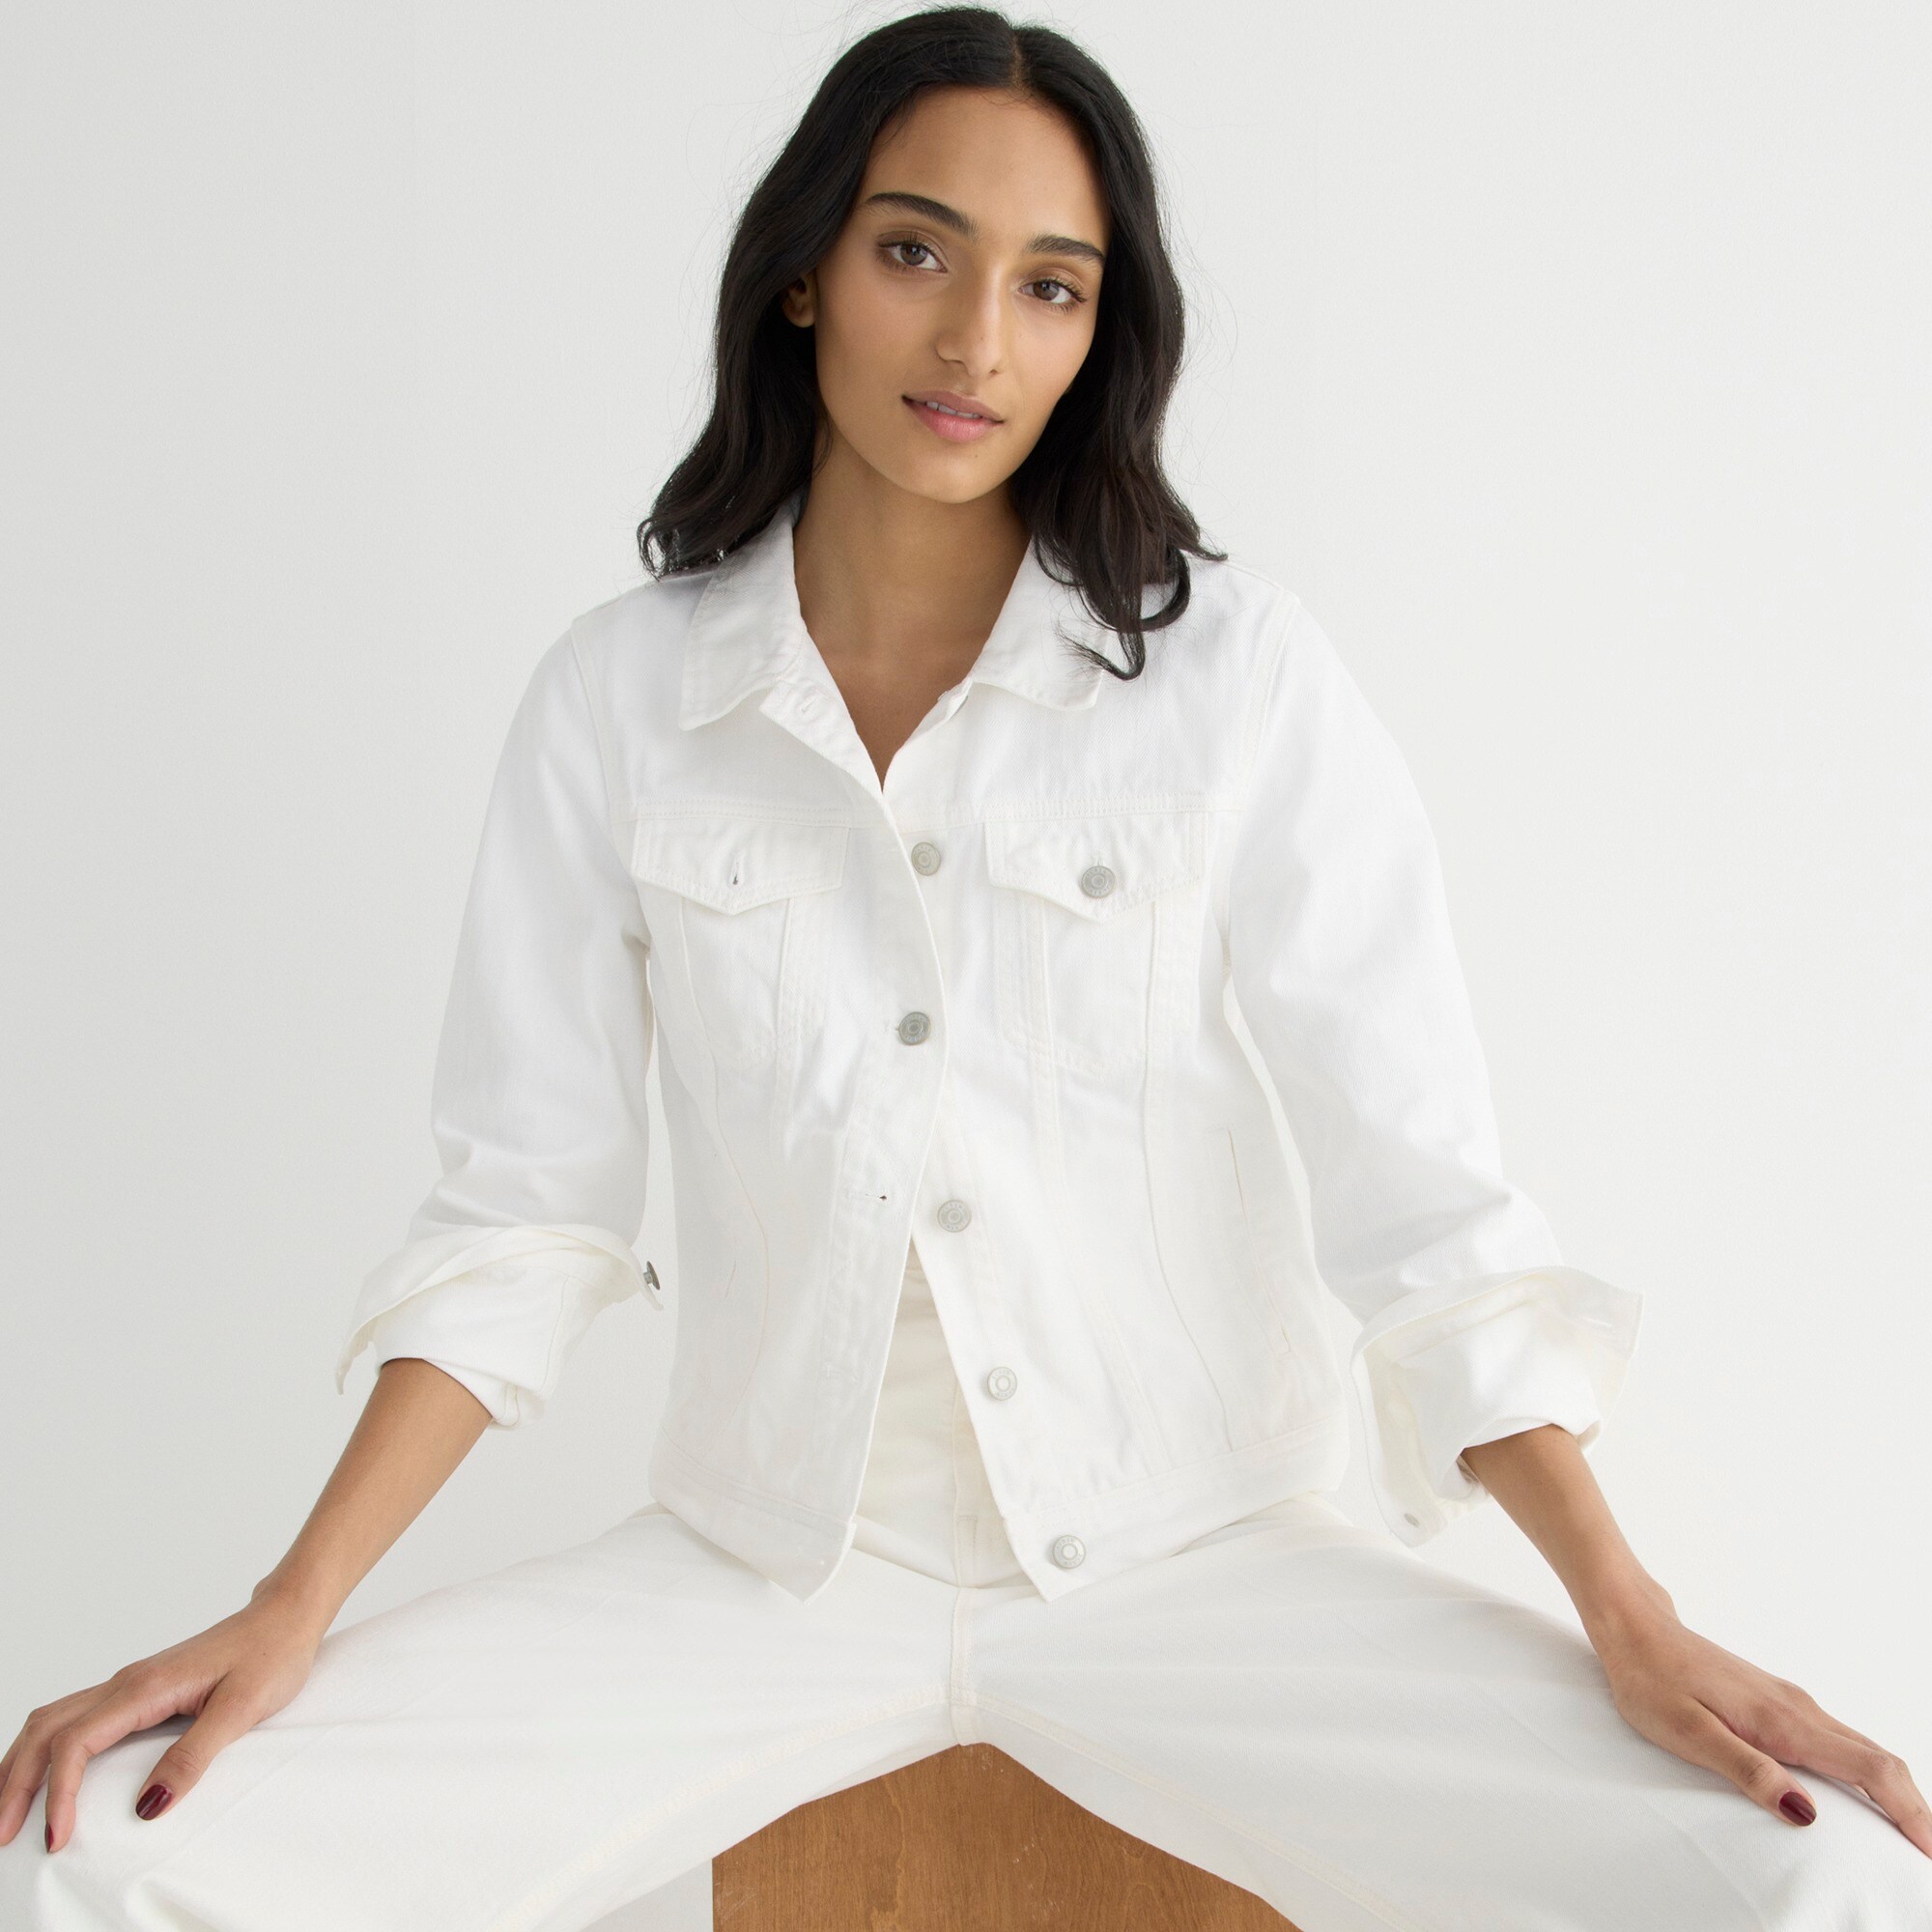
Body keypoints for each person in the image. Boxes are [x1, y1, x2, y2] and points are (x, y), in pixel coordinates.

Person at [4, 8, 1927, 1927]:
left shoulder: (1235, 681)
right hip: (758, 1573)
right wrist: (292, 1605)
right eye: (916, 250)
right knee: (93, 1859)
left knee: (1825, 1880)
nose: (975, 343)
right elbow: (520, 1214)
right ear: (803, 272)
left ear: (1102, 333)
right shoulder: (620, 698)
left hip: (1201, 1566)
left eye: (1050, 285)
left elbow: (1422, 1204)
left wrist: (1630, 1616)